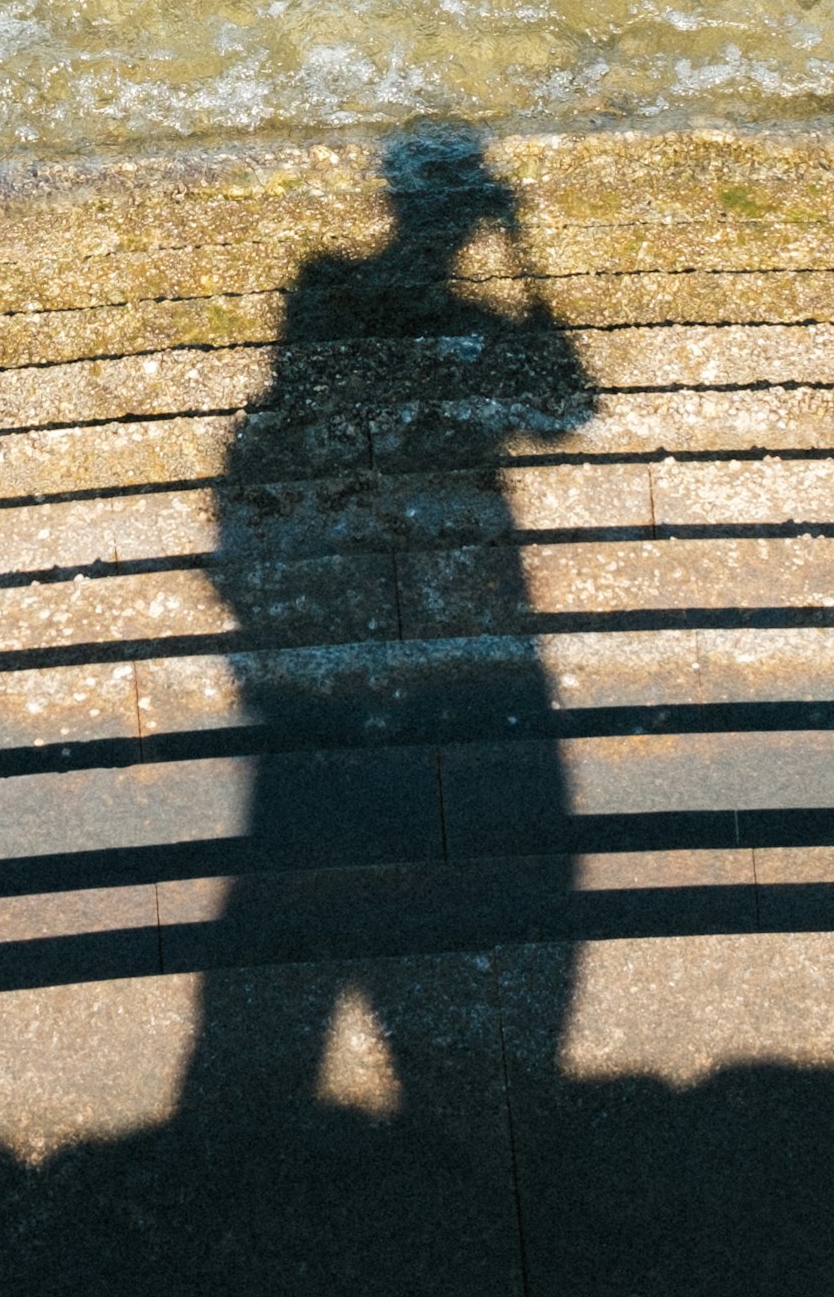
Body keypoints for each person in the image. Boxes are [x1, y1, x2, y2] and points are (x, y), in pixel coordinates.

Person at [171, 119, 598, 1120]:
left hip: (313, 670)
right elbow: (570, 400)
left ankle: (231, 1140)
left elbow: (569, 403)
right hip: (432, 605)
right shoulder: (353, 292)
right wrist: (516, 252)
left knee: (274, 941)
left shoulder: (322, 289)